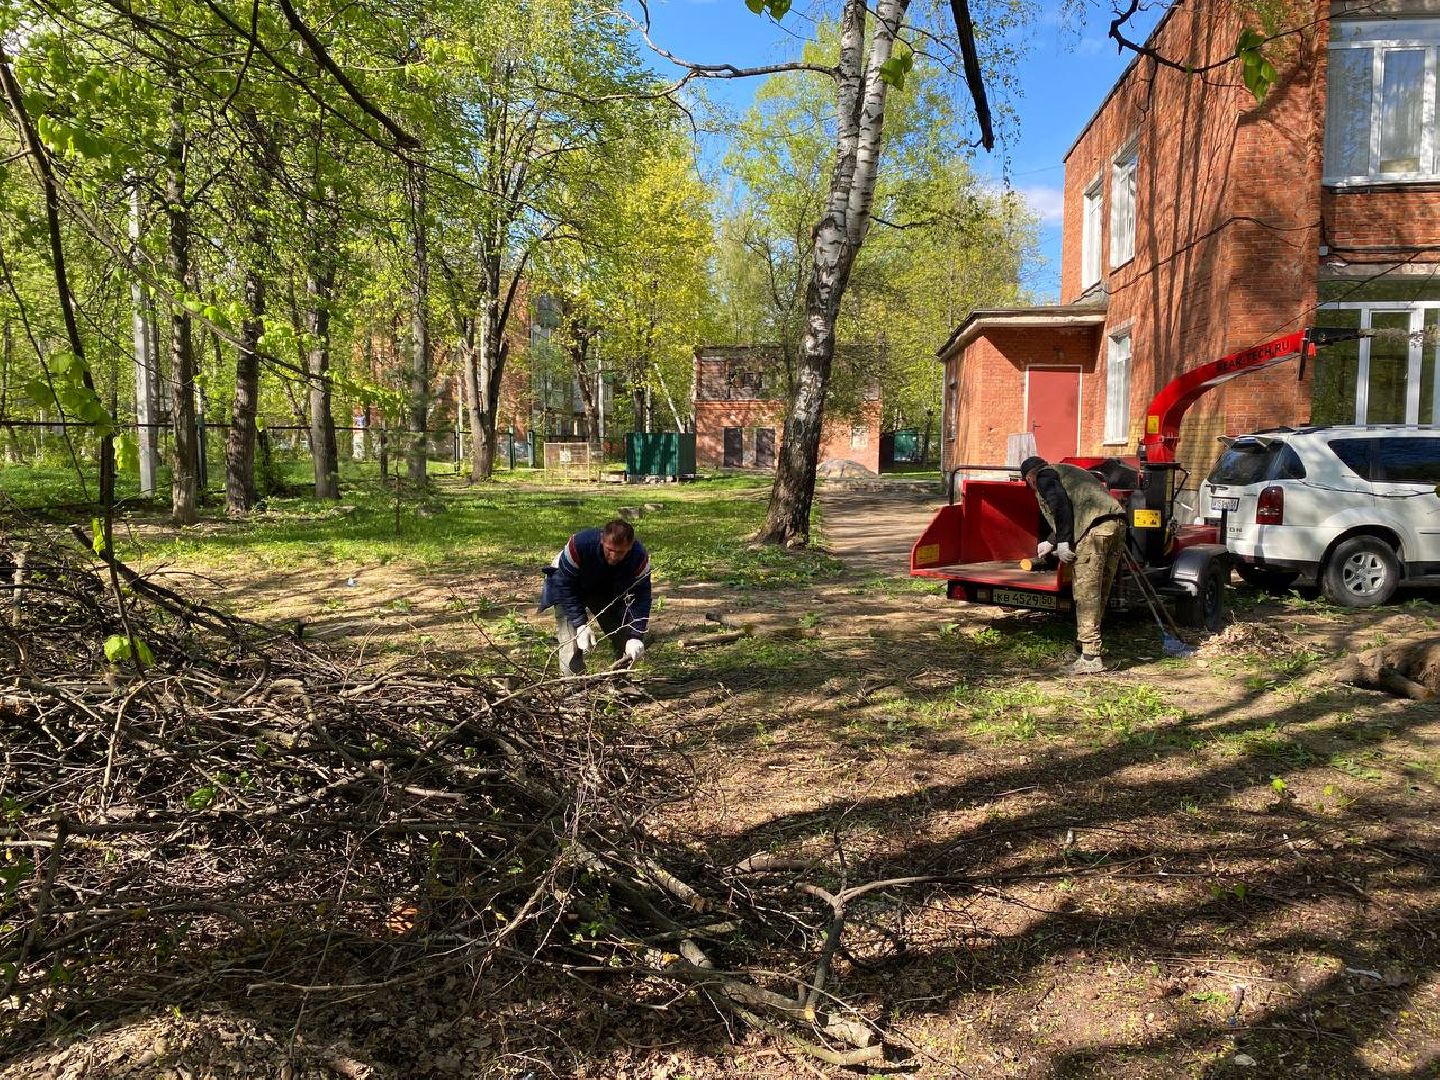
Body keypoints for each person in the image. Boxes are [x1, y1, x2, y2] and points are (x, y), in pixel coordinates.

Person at [1019, 455, 1128, 674]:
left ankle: (1090, 658)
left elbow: (1060, 506)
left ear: (1030, 477)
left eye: (1028, 483)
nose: (1032, 487)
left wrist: (1063, 543)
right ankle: (1085, 646)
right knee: (1100, 591)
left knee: (1086, 593)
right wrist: (1051, 542)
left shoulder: (1044, 476)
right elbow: (1075, 507)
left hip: (1094, 532)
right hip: (1115, 525)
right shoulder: (1067, 471)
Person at [538, 518, 651, 675]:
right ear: (602, 541)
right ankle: (574, 689)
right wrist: (580, 624)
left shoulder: (638, 558)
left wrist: (636, 635)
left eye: (620, 552)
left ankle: (620, 681)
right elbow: (564, 585)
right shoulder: (579, 546)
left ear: (630, 547)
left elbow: (641, 596)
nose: (613, 556)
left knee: (624, 633)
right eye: (609, 550)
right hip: (568, 585)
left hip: (605, 588)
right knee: (571, 642)